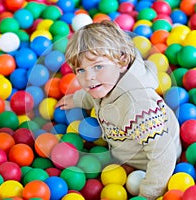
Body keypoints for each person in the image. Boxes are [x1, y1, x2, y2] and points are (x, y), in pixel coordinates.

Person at [55, 20, 182, 199]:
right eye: (80, 70)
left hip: (151, 162)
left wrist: (147, 193)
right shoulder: (107, 82)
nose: (89, 77)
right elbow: (95, 94)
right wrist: (77, 99)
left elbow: (164, 154)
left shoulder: (137, 107)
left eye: (98, 66)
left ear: (122, 61)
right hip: (130, 144)